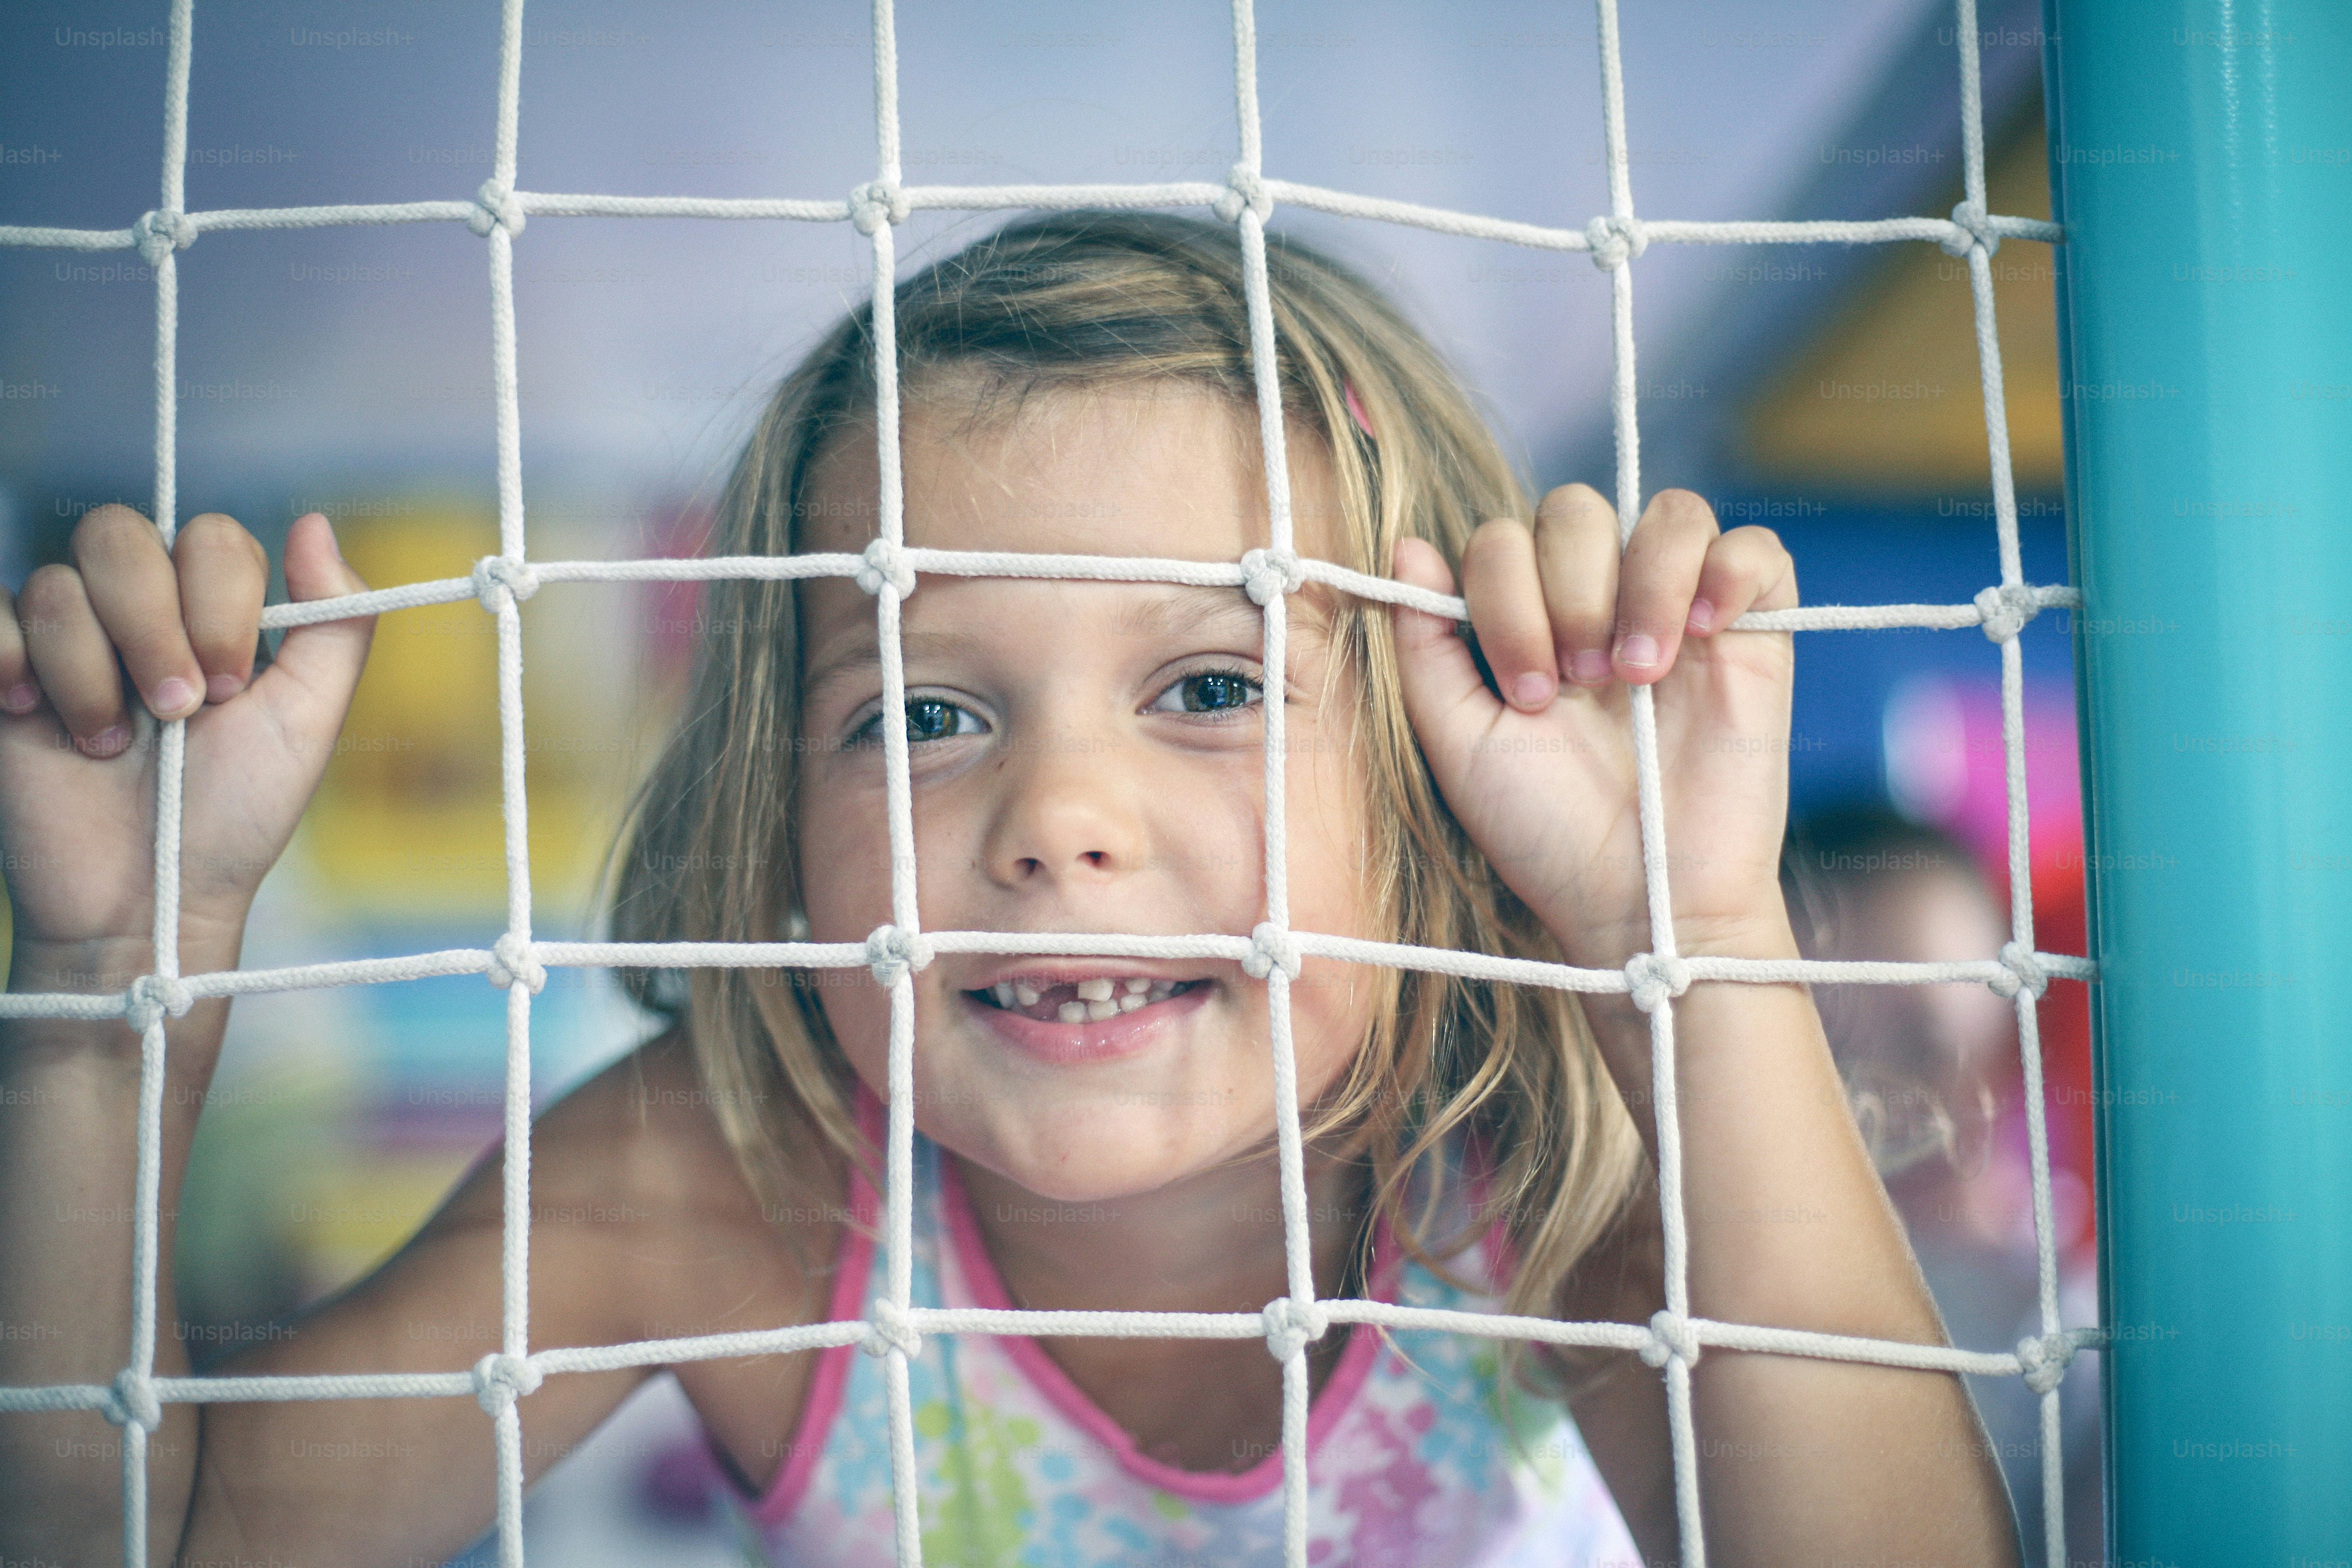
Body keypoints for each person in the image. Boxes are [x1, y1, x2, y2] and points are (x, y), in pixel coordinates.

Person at [0, 212, 2021, 1567]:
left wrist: (1691, 937)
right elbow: (143, 1537)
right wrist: (113, 959)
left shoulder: (1539, 1176)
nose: (1060, 815)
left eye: (1212, 687)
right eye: (922, 715)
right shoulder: (728, 1190)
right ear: (773, 822)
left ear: (1440, 771)